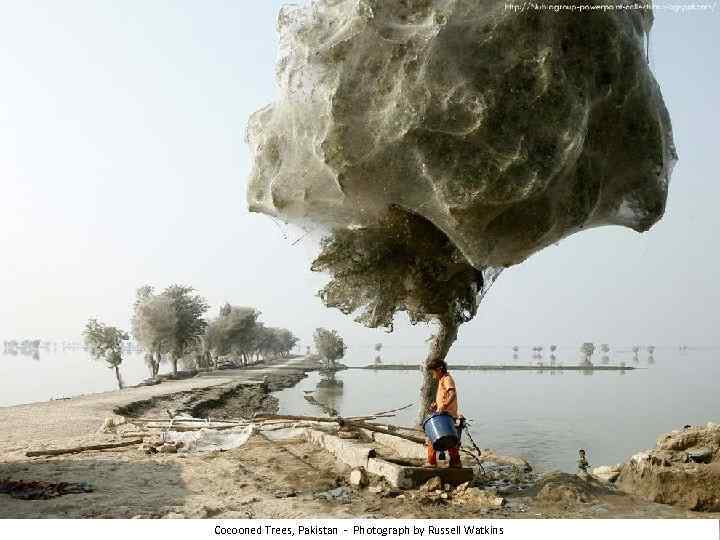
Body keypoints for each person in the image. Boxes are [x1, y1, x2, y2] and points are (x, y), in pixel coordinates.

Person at [426, 359, 463, 467]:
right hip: (445, 415)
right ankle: (455, 462)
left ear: (439, 369)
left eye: (433, 372)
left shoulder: (447, 379)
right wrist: (436, 406)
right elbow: (444, 397)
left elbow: (452, 394)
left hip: (446, 416)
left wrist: (444, 406)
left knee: (433, 438)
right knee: (450, 439)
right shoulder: (442, 380)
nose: (432, 375)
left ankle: (431, 463)